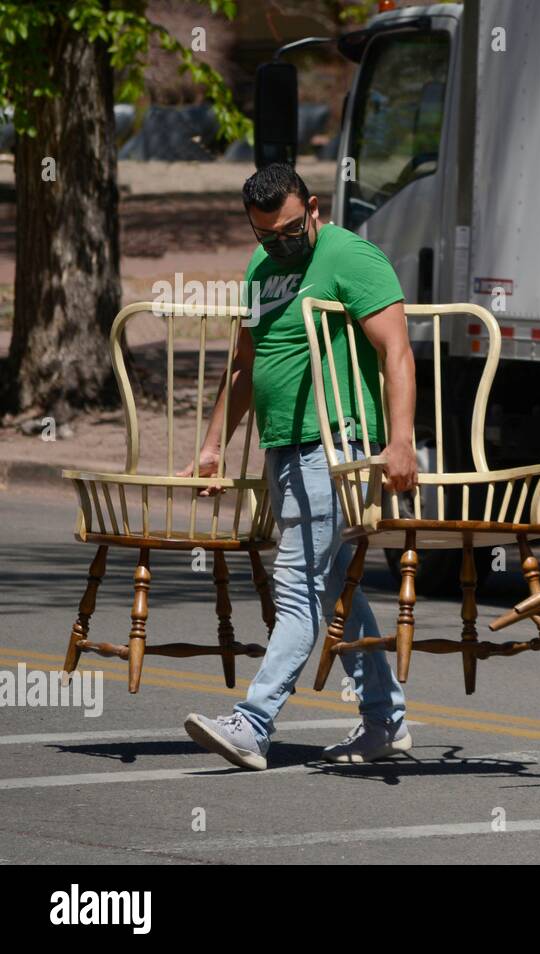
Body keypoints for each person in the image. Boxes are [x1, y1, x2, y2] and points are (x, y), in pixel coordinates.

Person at [181, 163, 419, 770]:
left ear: (313, 208)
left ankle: (254, 723)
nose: (281, 245)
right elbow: (242, 366)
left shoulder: (350, 257)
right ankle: (385, 721)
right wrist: (212, 445)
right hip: (285, 446)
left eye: (290, 232)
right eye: (267, 236)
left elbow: (395, 349)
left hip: (335, 445)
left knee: (298, 587)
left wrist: (400, 441)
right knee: (335, 584)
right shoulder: (262, 269)